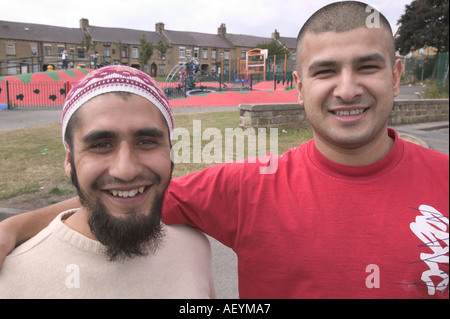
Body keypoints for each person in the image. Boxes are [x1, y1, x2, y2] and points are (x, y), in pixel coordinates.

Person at [0, 1, 448, 299]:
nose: (347, 89)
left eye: (366, 67)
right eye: (325, 71)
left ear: (395, 75)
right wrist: (15, 226)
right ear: (299, 88)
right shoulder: (247, 187)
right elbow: (129, 191)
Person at [0, 65, 216, 298]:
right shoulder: (11, 278)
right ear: (69, 161)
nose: (126, 171)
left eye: (146, 142)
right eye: (101, 145)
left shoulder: (194, 251)